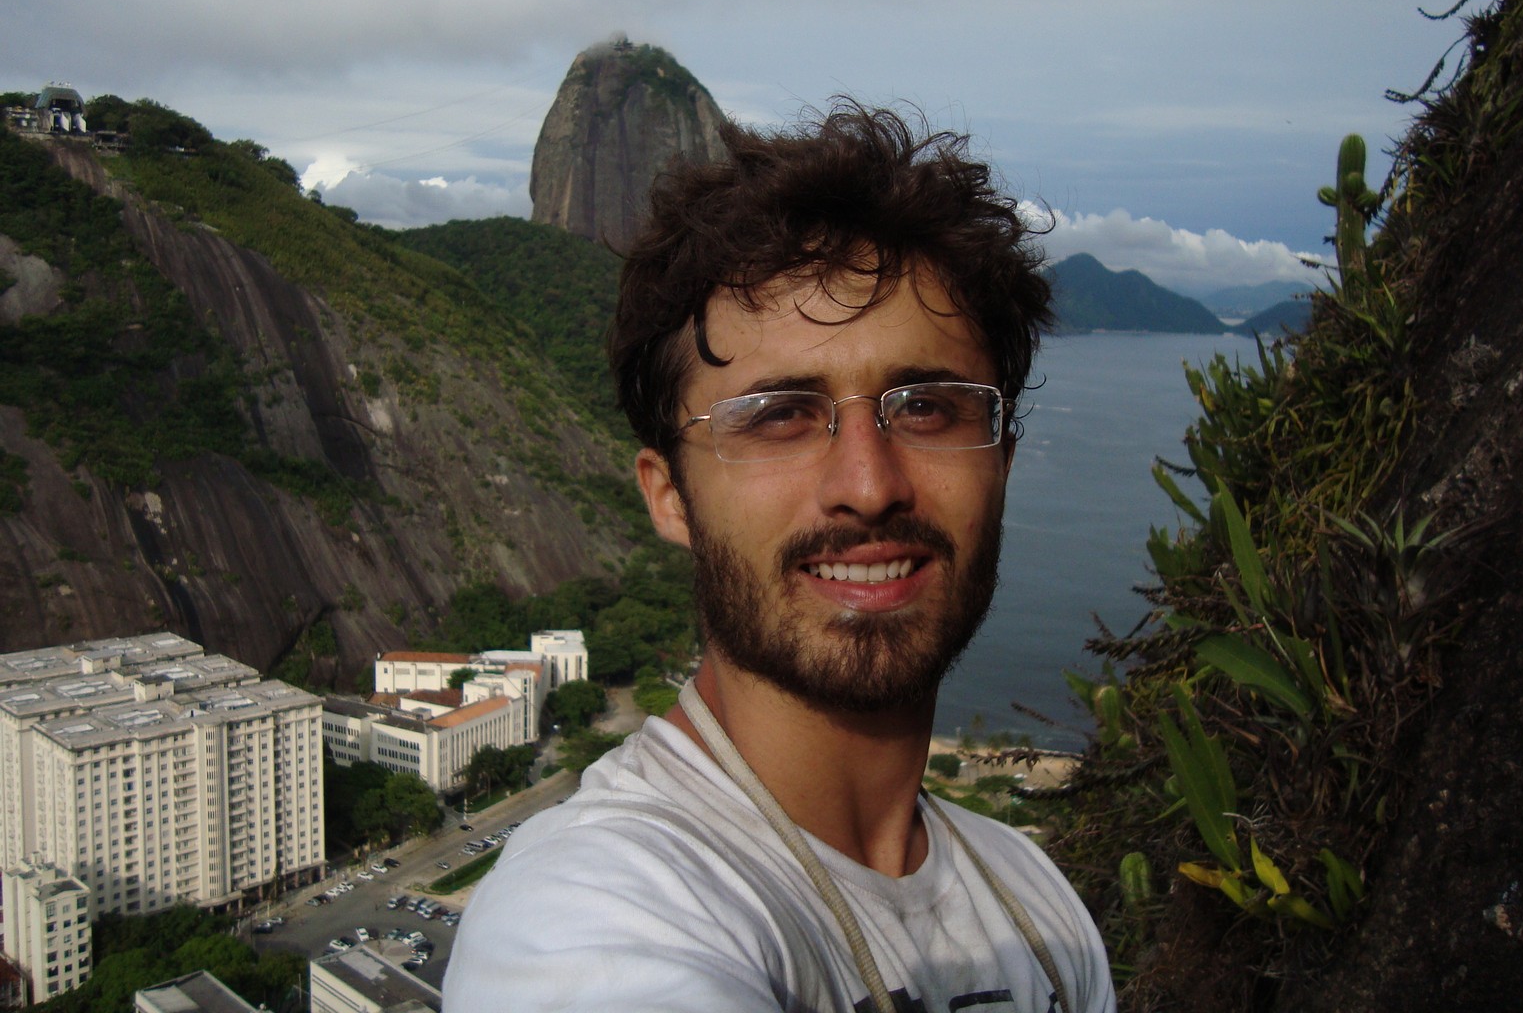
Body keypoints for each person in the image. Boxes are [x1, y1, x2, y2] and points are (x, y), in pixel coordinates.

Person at [444, 102, 1115, 1013]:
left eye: (926, 407)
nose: (869, 485)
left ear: (1001, 459)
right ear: (669, 496)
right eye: (780, 416)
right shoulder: (586, 913)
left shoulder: (1042, 913)